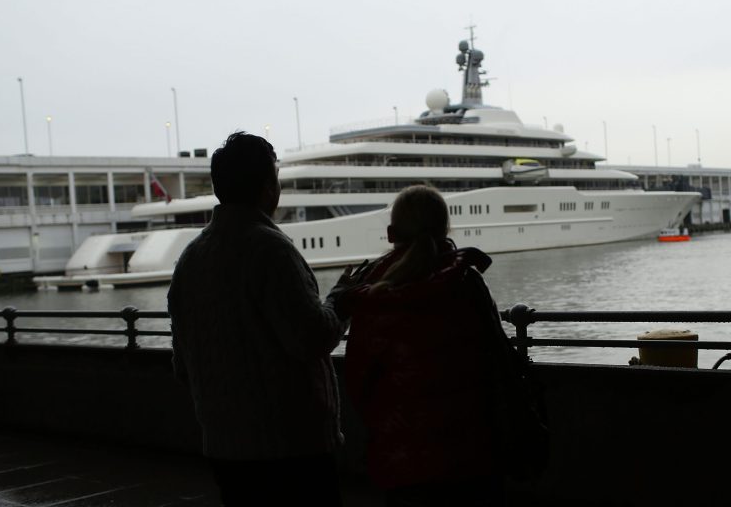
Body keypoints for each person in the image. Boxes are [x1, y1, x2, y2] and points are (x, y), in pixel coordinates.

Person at [168, 131, 352, 506]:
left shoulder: (190, 259)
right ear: (269, 187)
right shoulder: (270, 249)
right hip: (290, 448)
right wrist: (342, 300)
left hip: (224, 448)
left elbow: (182, 364)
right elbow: (310, 337)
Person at [341, 185, 506, 507]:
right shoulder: (467, 283)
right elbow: (495, 358)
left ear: (391, 233)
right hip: (472, 455)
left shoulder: (374, 297)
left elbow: (358, 379)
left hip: (402, 461)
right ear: (447, 229)